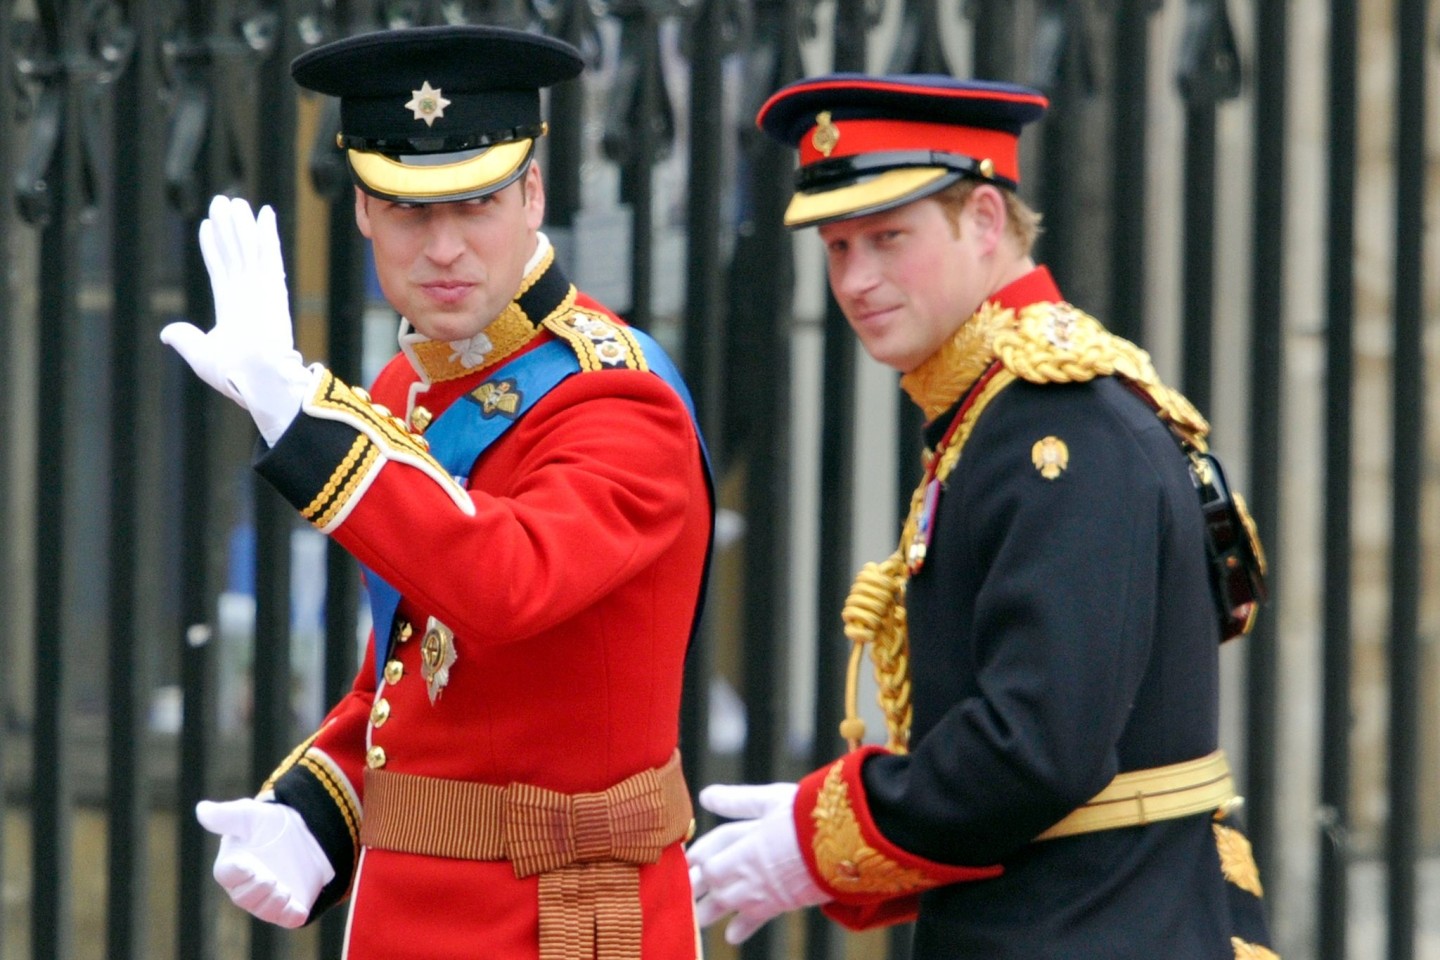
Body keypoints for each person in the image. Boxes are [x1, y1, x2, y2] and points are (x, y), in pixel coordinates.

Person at [685, 73, 1276, 959]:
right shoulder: (997, 409)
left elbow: (1037, 747)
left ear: (988, 221)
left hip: (1097, 926)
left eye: (889, 237)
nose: (858, 279)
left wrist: (824, 837)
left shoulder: (1056, 423)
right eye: (838, 247)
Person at [161, 25, 713, 960]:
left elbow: (506, 582)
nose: (445, 247)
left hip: (565, 920)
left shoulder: (617, 396)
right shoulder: (405, 390)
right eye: (410, 211)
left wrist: (305, 420)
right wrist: (318, 804)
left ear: (534, 194)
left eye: (479, 203)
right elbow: (414, 669)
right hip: (403, 908)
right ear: (365, 213)